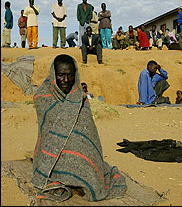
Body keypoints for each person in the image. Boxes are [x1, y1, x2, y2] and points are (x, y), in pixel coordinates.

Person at [31, 54, 127, 202]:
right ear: (53, 75)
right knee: (67, 164)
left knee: (87, 165)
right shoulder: (43, 98)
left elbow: (88, 133)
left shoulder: (80, 98)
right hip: (53, 156)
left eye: (70, 75)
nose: (66, 80)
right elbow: (47, 136)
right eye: (61, 75)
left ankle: (85, 177)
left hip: (81, 153)